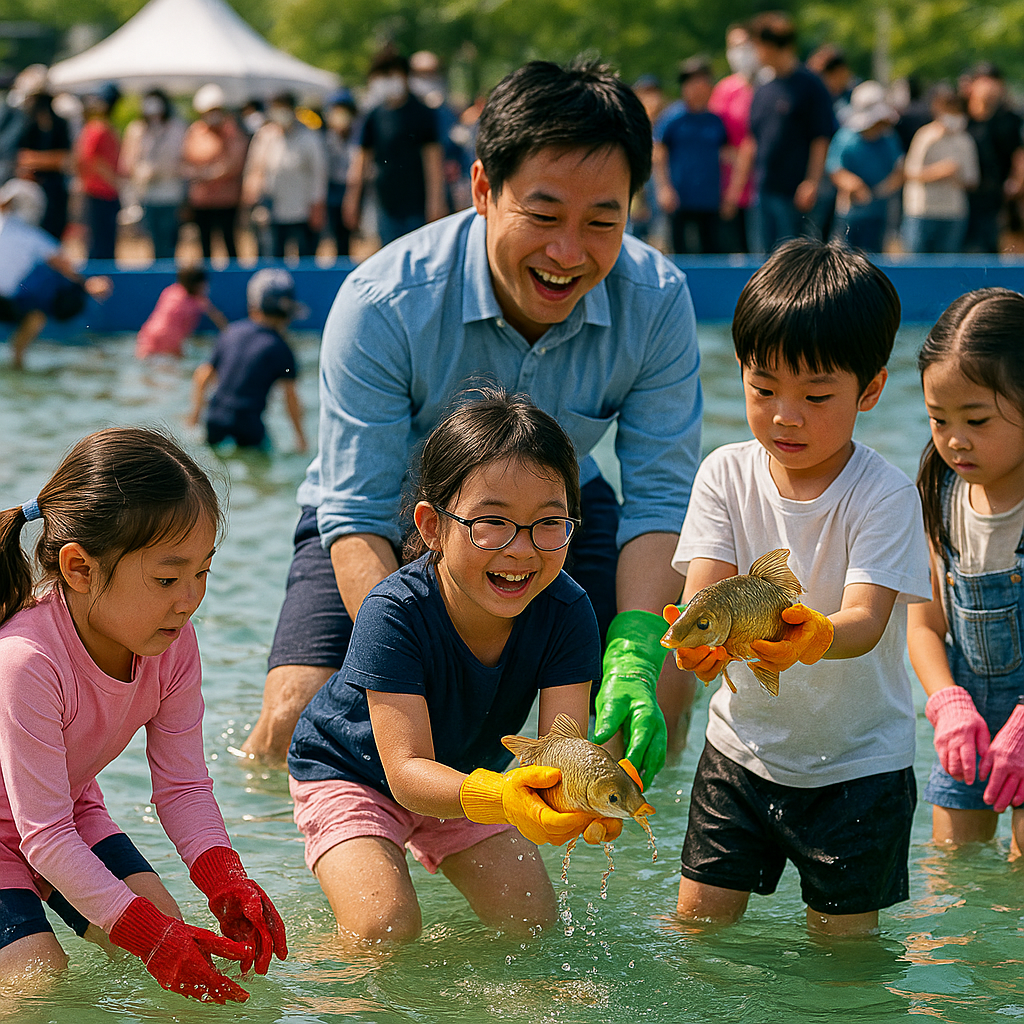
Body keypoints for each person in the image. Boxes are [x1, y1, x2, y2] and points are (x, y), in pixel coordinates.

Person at [240, 59, 704, 788]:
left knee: (656, 705)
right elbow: (355, 509)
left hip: (554, 515)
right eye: (543, 216)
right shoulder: (384, 303)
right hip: (389, 515)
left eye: (602, 222)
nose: (568, 254)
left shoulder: (657, 300)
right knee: (294, 714)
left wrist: (637, 649)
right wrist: (416, 656)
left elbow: (660, 501)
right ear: (483, 188)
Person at [288, 391, 631, 942]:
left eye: (549, 523)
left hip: (472, 777)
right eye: (492, 522)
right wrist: (505, 797)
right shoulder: (392, 611)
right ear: (431, 526)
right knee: (385, 928)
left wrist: (587, 792)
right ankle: (315, 968)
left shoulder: (568, 611)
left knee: (533, 926)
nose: (521, 550)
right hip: (352, 774)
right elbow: (406, 772)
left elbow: (560, 750)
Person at [669, 237, 931, 936]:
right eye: (763, 389)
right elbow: (705, 596)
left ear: (870, 390)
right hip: (739, 753)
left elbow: (865, 620)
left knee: (844, 955)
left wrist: (809, 635)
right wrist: (697, 644)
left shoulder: (884, 494)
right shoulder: (724, 473)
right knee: (697, 929)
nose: (786, 414)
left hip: (859, 769)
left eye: (816, 395)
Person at [0, 427, 287, 1000]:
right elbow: (44, 836)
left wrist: (225, 881)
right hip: (36, 833)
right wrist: (148, 937)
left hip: (67, 817)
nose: (189, 599)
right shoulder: (26, 660)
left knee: (178, 939)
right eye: (166, 578)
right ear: (79, 569)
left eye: (203, 572)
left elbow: (183, 787)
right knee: (38, 981)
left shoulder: (172, 645)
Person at [907, 288, 1024, 858]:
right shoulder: (941, 494)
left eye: (976, 420)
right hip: (969, 721)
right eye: (938, 419)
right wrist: (946, 702)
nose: (955, 439)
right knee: (951, 864)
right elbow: (925, 623)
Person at [728, 12, 836, 253]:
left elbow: (820, 138)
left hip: (795, 194)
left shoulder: (810, 85)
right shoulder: (763, 89)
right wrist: (736, 188)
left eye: (757, 46)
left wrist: (811, 182)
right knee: (763, 261)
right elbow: (752, 140)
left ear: (770, 46)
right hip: (763, 191)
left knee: (794, 261)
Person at [187, 267, 307, 453]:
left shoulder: (230, 333)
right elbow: (290, 397)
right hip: (248, 427)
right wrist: (300, 438)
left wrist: (194, 416)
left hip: (215, 420)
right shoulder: (281, 348)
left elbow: (202, 375)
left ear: (253, 304)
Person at [0, 179, 111, 369]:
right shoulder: (33, 237)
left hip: (8, 302)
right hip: (10, 303)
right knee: (37, 313)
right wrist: (87, 285)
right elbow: (64, 265)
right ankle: (17, 357)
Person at [343, 46, 447, 246]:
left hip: (417, 205)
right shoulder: (374, 115)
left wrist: (436, 202)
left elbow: (433, 161)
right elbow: (360, 161)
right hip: (385, 204)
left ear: (404, 76)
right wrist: (352, 199)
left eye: (391, 75)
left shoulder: (422, 113)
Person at [653, 56, 729, 254]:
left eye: (703, 82)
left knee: (712, 252)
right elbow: (659, 154)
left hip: (709, 199)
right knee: (680, 253)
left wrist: (729, 193)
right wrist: (664, 188)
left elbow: (727, 157)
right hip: (679, 198)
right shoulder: (672, 118)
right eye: (692, 82)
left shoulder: (716, 121)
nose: (698, 88)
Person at [242, 92, 326, 259]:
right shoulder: (264, 136)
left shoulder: (309, 138)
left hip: (302, 211)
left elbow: (319, 174)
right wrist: (250, 197)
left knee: (305, 259)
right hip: (271, 210)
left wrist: (317, 205)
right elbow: (253, 169)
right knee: (271, 258)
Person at [826, 81, 904, 252]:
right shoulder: (845, 138)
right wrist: (854, 185)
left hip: (880, 214)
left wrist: (882, 189)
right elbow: (835, 169)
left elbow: (900, 170)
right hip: (849, 213)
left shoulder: (889, 138)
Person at [902, 87, 979, 254]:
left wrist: (955, 176)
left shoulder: (965, 140)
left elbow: (972, 180)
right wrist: (940, 171)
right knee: (917, 262)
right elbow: (910, 172)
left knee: (948, 262)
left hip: (953, 212)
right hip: (922, 211)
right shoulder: (925, 136)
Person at [181, 84, 248, 261]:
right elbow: (186, 160)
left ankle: (233, 275)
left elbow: (234, 164)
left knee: (229, 241)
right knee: (205, 244)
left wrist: (210, 174)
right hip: (202, 201)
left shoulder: (232, 132)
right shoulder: (195, 132)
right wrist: (200, 174)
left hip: (227, 201)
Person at [962, 63, 1024, 253]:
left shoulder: (1009, 120)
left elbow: (1018, 155)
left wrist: (1016, 182)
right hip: (962, 195)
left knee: (991, 250)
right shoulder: (961, 118)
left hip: (997, 197)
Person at [119, 89, 187, 261]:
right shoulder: (137, 130)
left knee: (169, 238)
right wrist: (141, 172)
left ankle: (169, 269)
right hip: (146, 194)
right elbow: (127, 162)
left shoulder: (176, 128)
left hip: (171, 193)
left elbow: (184, 158)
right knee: (151, 238)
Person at [711, 24, 758, 252]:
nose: (740, 52)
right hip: (731, 188)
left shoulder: (769, 86)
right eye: (734, 46)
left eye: (745, 45)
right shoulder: (724, 90)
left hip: (764, 185)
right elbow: (717, 137)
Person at [135, 264, 227, 359]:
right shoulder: (197, 302)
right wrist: (229, 333)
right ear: (198, 285)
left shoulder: (171, 291)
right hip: (169, 341)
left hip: (147, 336)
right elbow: (218, 318)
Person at [74, 83, 121, 261]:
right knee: (100, 244)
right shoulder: (97, 129)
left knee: (103, 242)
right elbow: (89, 158)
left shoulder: (98, 127)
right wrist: (113, 181)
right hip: (99, 192)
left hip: (101, 192)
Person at [16, 90, 71, 242]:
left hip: (54, 188)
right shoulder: (25, 124)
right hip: (32, 187)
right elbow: (22, 157)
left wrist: (37, 160)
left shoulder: (59, 124)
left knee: (53, 232)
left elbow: (64, 159)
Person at [323, 89, 357, 259]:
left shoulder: (359, 135)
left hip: (354, 189)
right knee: (334, 234)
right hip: (332, 190)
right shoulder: (325, 137)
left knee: (351, 234)